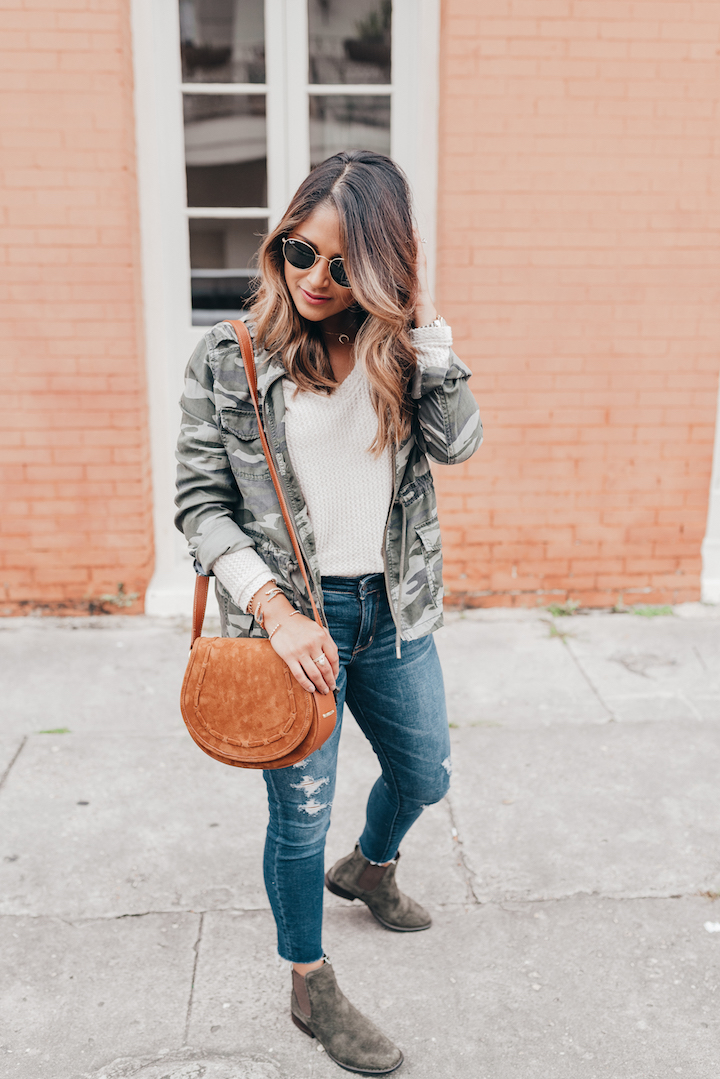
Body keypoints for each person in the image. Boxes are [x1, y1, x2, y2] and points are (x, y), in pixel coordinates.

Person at [175, 150, 482, 1075]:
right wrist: (273, 611)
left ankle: (373, 865)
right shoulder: (229, 357)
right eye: (301, 252)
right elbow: (200, 504)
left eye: (346, 264)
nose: (316, 279)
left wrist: (425, 337)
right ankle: (309, 979)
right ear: (280, 244)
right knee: (299, 818)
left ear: (386, 265)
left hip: (393, 615)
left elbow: (459, 447)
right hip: (290, 632)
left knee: (424, 775)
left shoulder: (403, 351)